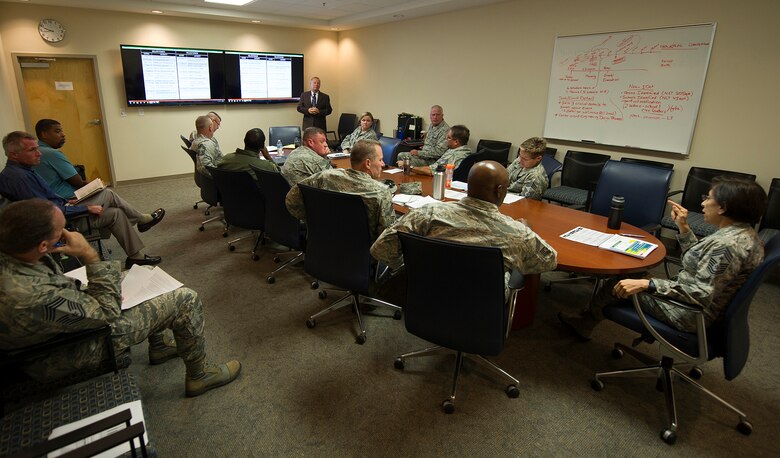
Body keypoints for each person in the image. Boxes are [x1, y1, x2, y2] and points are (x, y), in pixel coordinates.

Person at [0, 199, 241, 396]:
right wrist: (89, 255)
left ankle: (159, 347)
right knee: (186, 299)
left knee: (142, 273)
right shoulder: (27, 294)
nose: (69, 234)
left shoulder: (14, 252)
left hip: (62, 326)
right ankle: (200, 376)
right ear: (43, 245)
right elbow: (106, 315)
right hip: (70, 349)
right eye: (62, 231)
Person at [558, 177, 768, 340]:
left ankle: (585, 322)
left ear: (723, 207)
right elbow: (699, 264)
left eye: (709, 198)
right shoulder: (742, 234)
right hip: (697, 303)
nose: (703, 203)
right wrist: (684, 227)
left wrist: (648, 284)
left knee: (619, 280)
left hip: (689, 314)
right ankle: (588, 317)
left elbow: (700, 294)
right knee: (634, 271)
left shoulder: (727, 245)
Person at [371, 160, 558, 289]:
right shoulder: (517, 232)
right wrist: (526, 230)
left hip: (426, 292)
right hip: (482, 305)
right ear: (500, 190)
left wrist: (412, 265)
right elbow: (549, 261)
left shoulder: (428, 213)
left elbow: (380, 249)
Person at [0, 131, 164, 269]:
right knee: (108, 194)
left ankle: (136, 255)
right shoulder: (19, 178)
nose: (39, 153)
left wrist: (68, 201)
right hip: (62, 226)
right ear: (14, 154)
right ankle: (142, 219)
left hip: (63, 212)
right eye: (32, 150)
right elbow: (46, 213)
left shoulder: (22, 171)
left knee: (116, 212)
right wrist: (85, 208)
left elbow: (47, 200)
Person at [286, 139, 394, 241]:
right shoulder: (382, 192)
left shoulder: (325, 177)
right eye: (380, 160)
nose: (383, 164)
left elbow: (291, 199)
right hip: (361, 253)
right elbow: (386, 239)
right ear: (368, 163)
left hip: (322, 243)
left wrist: (313, 221)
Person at [32, 119, 87, 199]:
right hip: (66, 200)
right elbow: (78, 182)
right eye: (58, 131)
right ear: (44, 134)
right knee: (107, 193)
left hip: (46, 200)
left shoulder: (37, 151)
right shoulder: (51, 153)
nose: (63, 135)